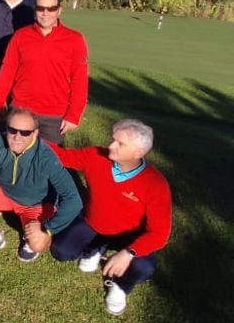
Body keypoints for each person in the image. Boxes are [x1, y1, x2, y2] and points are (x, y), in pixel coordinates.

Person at [48, 119, 172, 316]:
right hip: (93, 223)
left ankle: (121, 286)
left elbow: (160, 233)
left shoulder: (155, 184)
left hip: (129, 236)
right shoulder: (96, 156)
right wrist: (31, 135)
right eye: (113, 139)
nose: (110, 146)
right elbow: (63, 157)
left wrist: (129, 252)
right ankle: (96, 247)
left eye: (119, 143)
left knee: (143, 267)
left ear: (138, 153)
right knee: (60, 251)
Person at [0, 108, 82, 263]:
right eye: (12, 130)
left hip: (34, 204)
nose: (17, 137)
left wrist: (48, 229)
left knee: (39, 244)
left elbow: (74, 200)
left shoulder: (46, 157)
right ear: (6, 129)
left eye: (25, 132)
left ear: (35, 133)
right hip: (4, 192)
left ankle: (30, 235)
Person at [0, 0, 90, 145]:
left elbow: (79, 80)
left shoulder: (75, 39)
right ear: (35, 10)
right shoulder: (20, 36)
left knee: (49, 163)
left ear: (59, 10)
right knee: (14, 159)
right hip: (21, 110)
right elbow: (7, 71)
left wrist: (73, 115)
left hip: (54, 114)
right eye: (41, 8)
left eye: (51, 8)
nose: (45, 13)